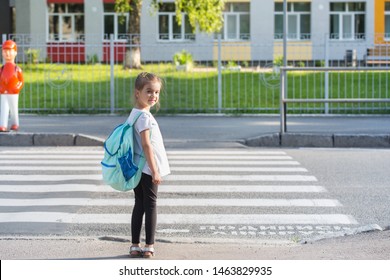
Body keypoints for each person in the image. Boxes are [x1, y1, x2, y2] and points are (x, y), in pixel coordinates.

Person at [126, 72, 170, 258]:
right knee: (151, 205)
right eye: (149, 91)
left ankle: (135, 245)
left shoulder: (134, 114)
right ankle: (149, 246)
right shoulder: (144, 117)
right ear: (138, 93)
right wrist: (155, 170)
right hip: (146, 167)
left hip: (137, 166)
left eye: (157, 92)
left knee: (139, 204)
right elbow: (146, 145)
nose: (153, 96)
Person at [0, 40, 24, 132]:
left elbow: (21, 81)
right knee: (4, 108)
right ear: (2, 53)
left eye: (10, 51)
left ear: (15, 53)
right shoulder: (2, 69)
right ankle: (3, 124)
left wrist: (17, 87)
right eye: (5, 51)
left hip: (13, 92)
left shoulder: (17, 69)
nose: (7, 54)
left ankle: (15, 123)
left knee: (14, 109)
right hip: (3, 92)